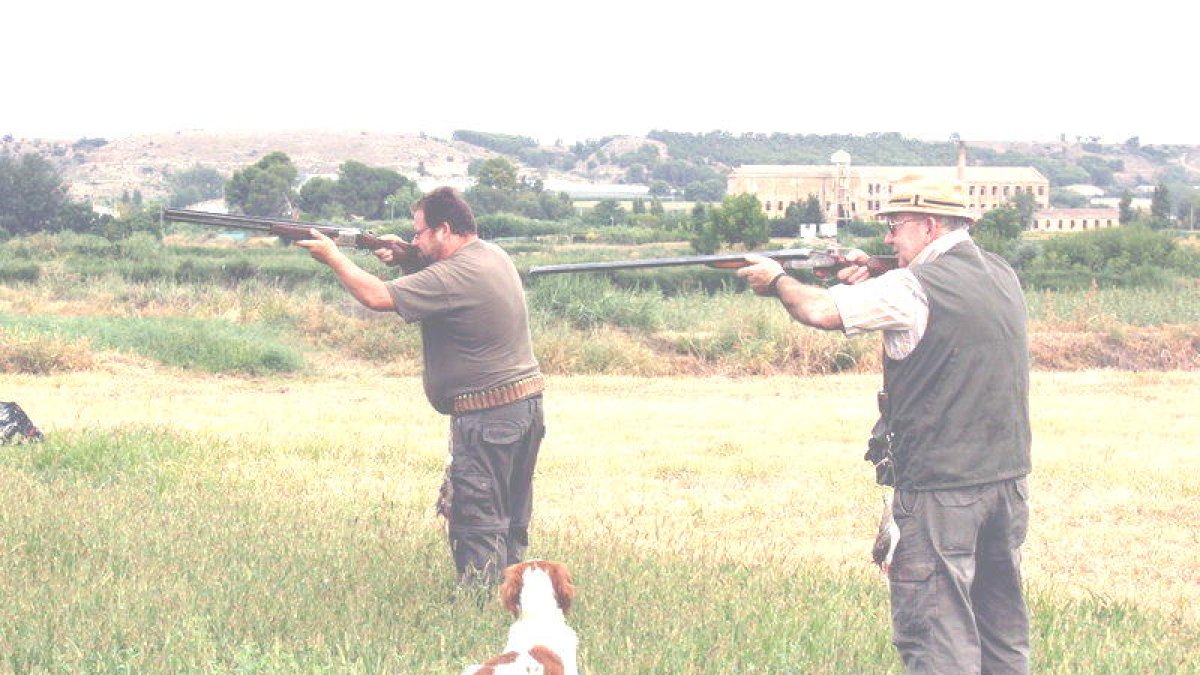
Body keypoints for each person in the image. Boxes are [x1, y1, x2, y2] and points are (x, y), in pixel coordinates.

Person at [737, 177, 1032, 674]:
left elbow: (816, 309)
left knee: (937, 637)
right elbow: (920, 287)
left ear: (930, 225)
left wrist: (778, 279)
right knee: (1000, 633)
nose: (889, 239)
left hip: (939, 488)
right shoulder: (1000, 272)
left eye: (895, 227)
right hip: (1007, 482)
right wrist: (873, 268)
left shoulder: (909, 287)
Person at [297, 186, 545, 586]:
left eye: (418, 233)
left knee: (478, 519)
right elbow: (438, 284)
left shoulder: (457, 273)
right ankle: (512, 598)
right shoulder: (490, 254)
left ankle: (476, 607)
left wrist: (333, 257)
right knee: (509, 519)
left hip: (488, 419)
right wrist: (409, 259)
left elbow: (377, 297)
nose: (412, 240)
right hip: (521, 408)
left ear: (444, 230)